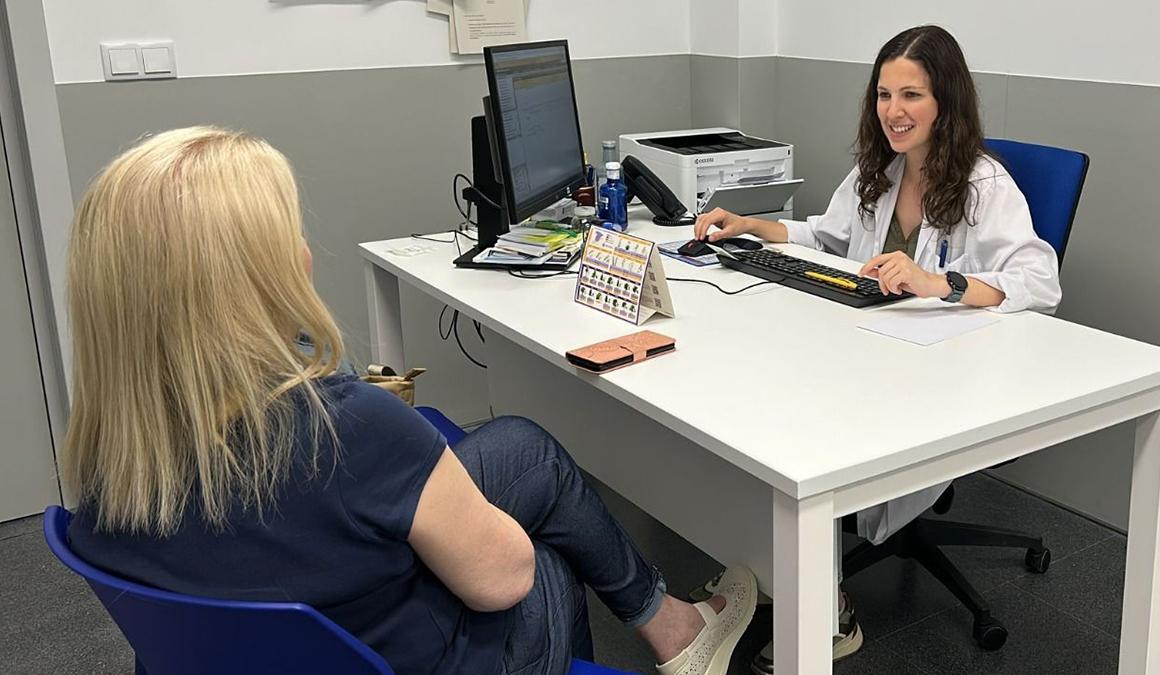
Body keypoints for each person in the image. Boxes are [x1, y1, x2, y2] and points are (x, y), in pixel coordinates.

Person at [63, 126, 758, 675]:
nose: (304, 253)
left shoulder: (112, 448)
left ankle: (674, 627)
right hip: (418, 654)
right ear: (255, 276)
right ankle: (676, 630)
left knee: (523, 449)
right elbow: (503, 580)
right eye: (287, 236)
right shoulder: (348, 429)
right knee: (545, 559)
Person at [692, 25, 1062, 673]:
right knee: (758, 393)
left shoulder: (984, 185)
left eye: (911, 95)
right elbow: (827, 237)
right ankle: (764, 570)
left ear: (945, 101)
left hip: (944, 373)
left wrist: (939, 282)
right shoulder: (881, 171)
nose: (894, 110)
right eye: (885, 94)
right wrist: (750, 224)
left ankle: (827, 613)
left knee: (800, 421)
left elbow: (1039, 281)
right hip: (874, 351)